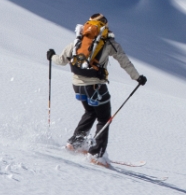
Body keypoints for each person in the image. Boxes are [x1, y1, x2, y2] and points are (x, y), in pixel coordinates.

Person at [46, 13, 146, 164]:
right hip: (95, 86)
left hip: (77, 85)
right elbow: (124, 61)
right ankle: (96, 154)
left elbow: (61, 60)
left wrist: (51, 56)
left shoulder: (79, 40)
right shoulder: (108, 43)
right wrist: (137, 77)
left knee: (90, 111)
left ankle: (74, 143)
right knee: (104, 118)